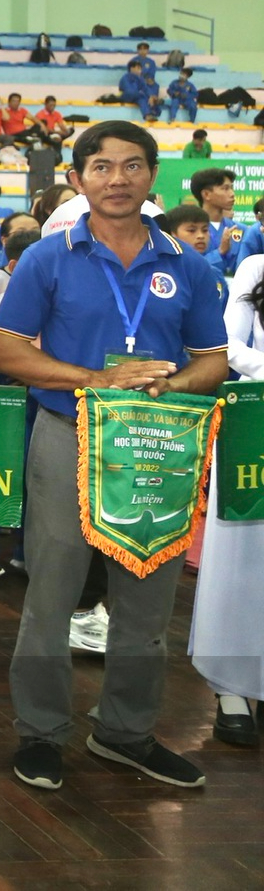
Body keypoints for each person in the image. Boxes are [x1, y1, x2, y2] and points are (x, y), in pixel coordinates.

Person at [0, 120, 228, 791]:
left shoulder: (189, 265)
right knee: (52, 592)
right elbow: (8, 352)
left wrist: (167, 385)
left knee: (148, 598)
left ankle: (125, 732)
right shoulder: (48, 256)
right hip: (69, 434)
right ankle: (40, 733)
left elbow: (213, 359)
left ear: (153, 176)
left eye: (131, 166)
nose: (116, 178)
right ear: (77, 178)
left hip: (157, 442)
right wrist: (96, 380)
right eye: (101, 166)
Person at [194, 251, 264, 747]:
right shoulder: (256, 267)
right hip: (254, 426)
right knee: (244, 558)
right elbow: (227, 346)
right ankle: (232, 689)